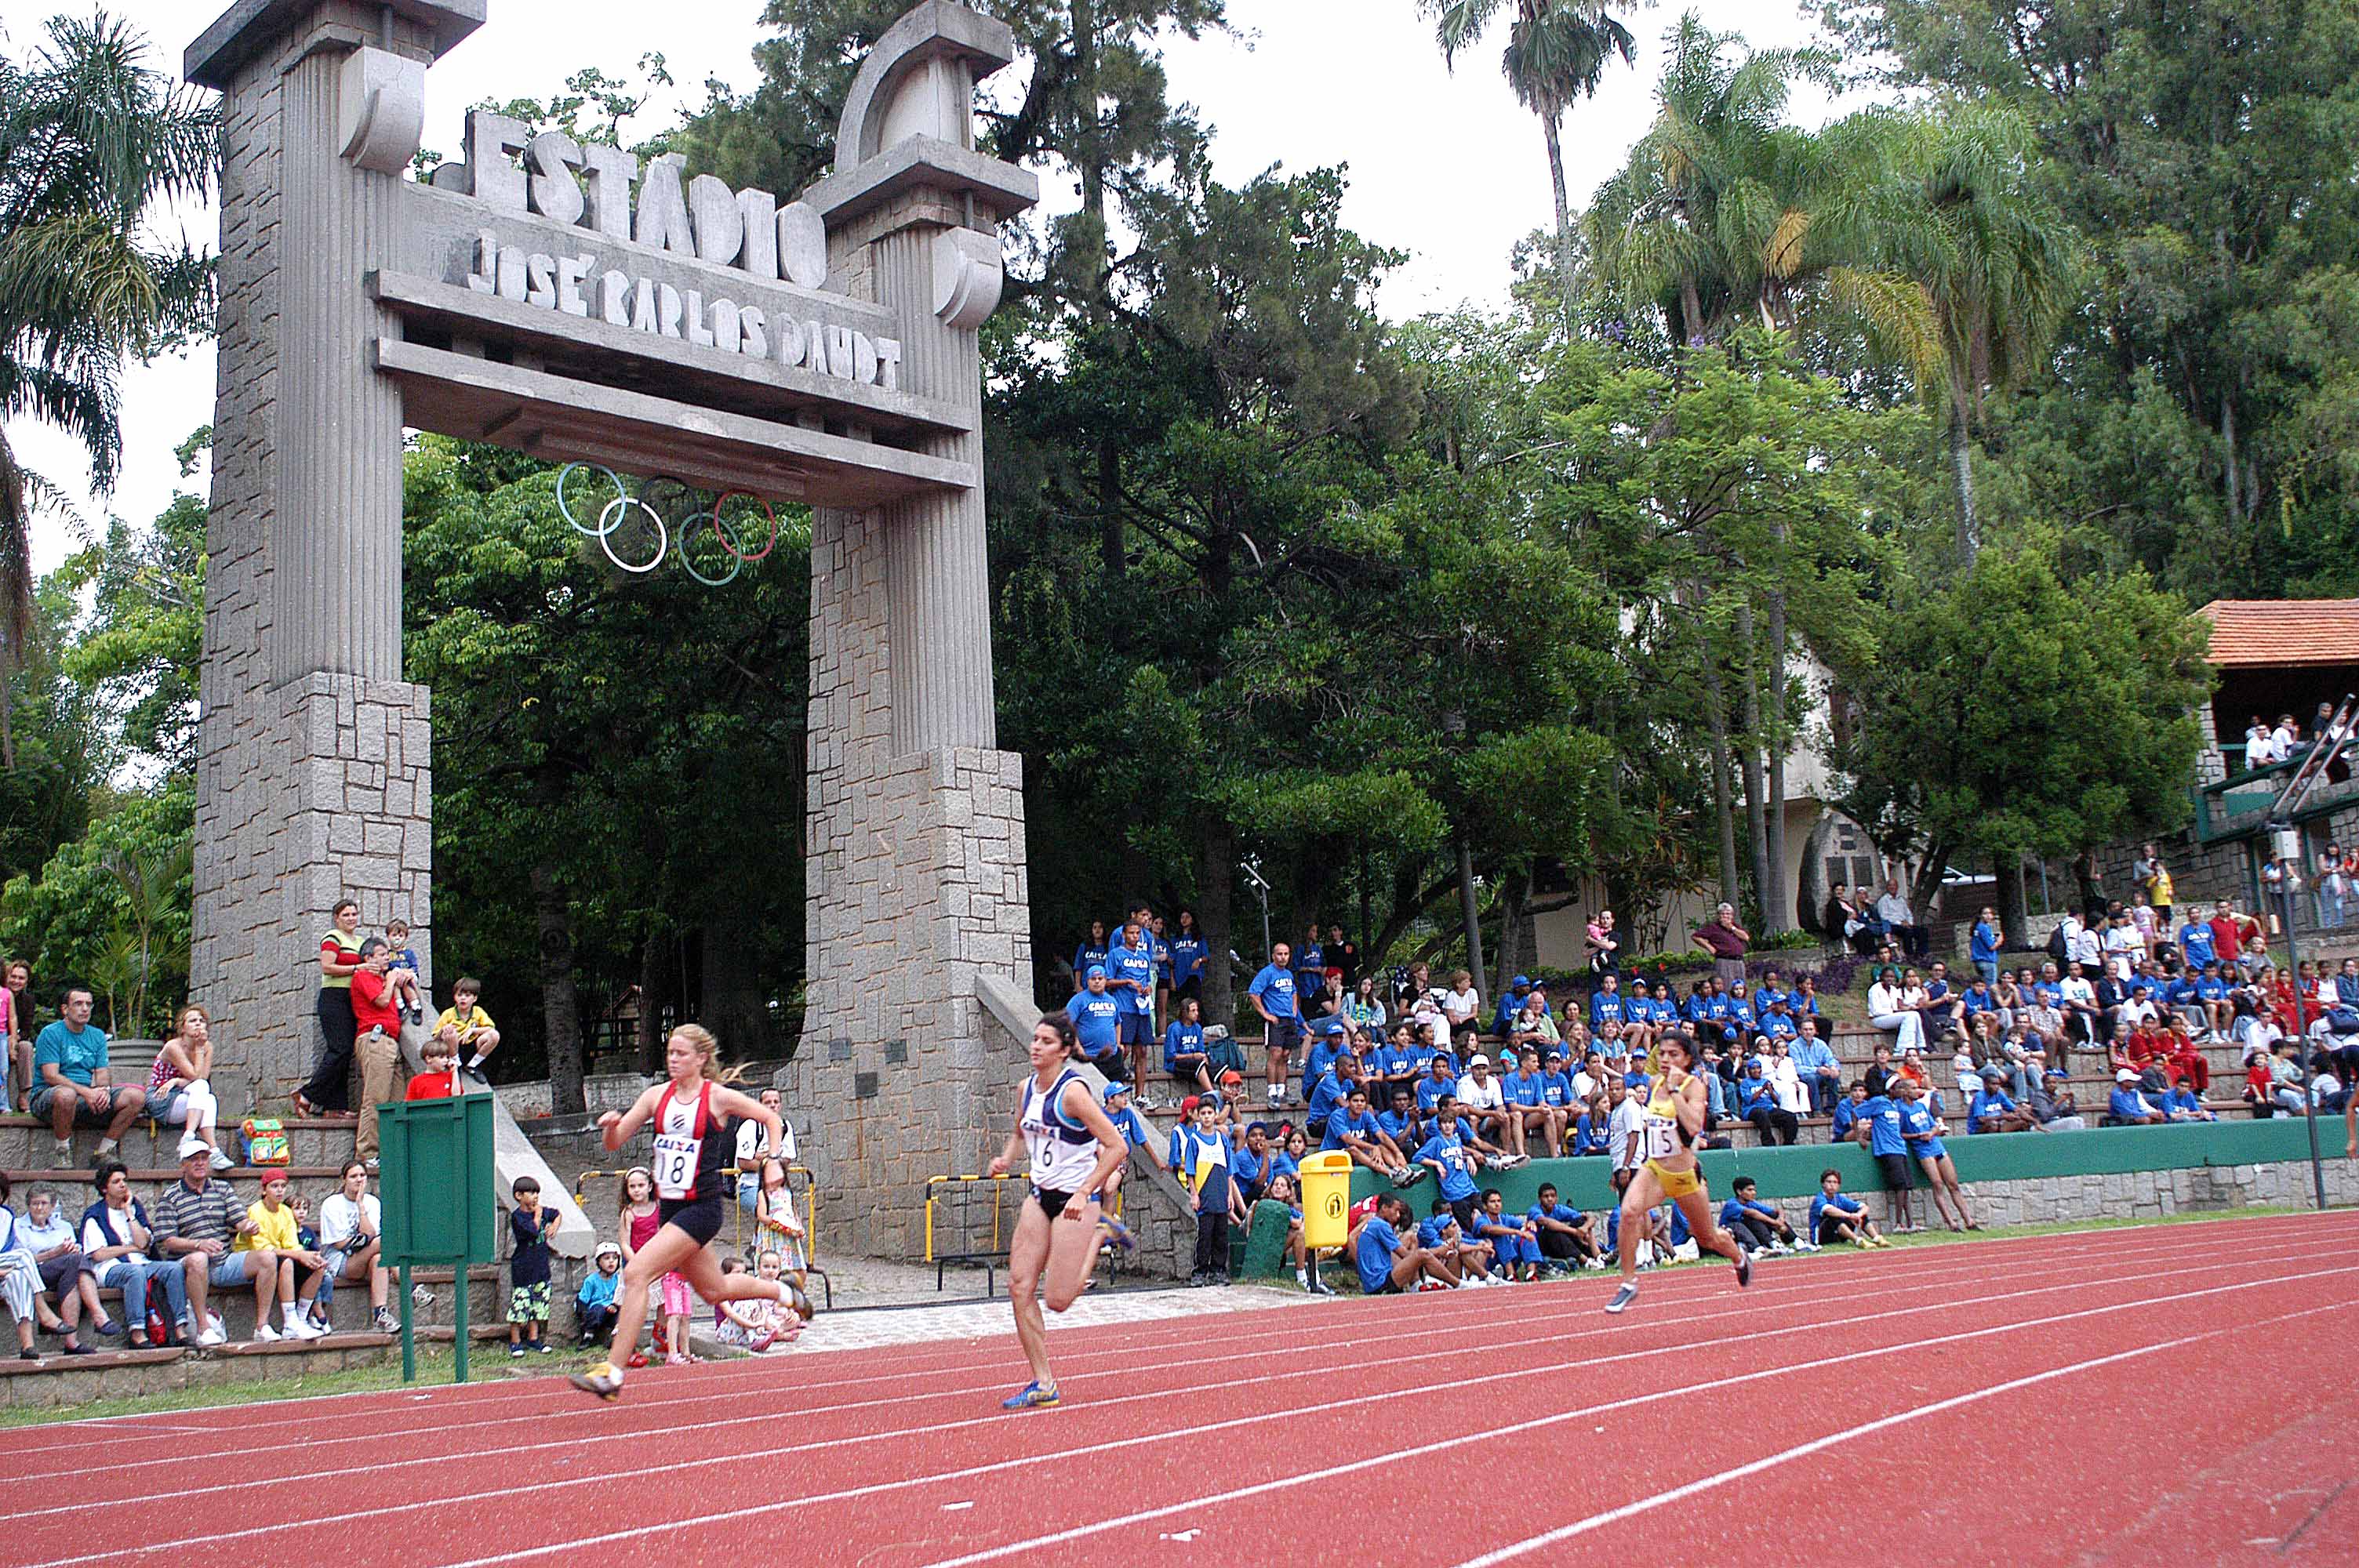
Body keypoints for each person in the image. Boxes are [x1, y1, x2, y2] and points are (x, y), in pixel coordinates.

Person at [569, 1026, 809, 1401]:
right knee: (715, 1290)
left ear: (701, 1058)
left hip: (702, 1208)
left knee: (635, 1273)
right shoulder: (655, 1097)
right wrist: (611, 1127)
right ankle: (785, 1290)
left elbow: (772, 1119)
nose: (673, 1059)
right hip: (672, 1210)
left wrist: (773, 1161)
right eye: (669, 1052)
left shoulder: (717, 1098)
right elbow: (615, 1143)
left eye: (681, 1053)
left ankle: (611, 1372)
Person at [981, 1013, 1128, 1411]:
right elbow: (1019, 1132)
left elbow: (1117, 1147)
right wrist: (1005, 1159)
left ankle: (1102, 1233)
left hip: (1076, 1203)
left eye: (1046, 1042)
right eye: (1035, 1039)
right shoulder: (1025, 1089)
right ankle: (1043, 1382)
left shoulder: (1074, 1093)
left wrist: (1085, 1191)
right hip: (1039, 1196)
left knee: (1059, 1300)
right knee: (1018, 1286)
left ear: (1064, 1050)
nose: (1036, 1046)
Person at [1605, 1033, 1753, 1314]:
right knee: (1628, 1212)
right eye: (1662, 1054)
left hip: (1684, 1174)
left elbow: (1695, 1125)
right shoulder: (1653, 1082)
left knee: (1706, 1236)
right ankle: (1628, 1282)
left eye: (1673, 1054)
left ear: (1686, 1058)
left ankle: (1738, 1256)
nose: (1665, 1059)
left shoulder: (1693, 1086)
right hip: (1656, 1169)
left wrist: (1675, 1091)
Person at [30, 985, 141, 1168]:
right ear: (65, 1009)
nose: (85, 1009)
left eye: (89, 1004)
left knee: (135, 1097)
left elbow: (102, 1073)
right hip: (48, 1097)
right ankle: (62, 1152)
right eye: (79, 1004)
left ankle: (104, 1152)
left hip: (83, 1097)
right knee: (66, 1095)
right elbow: (50, 1076)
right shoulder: (50, 1033)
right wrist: (87, 1093)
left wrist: (103, 1091)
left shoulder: (97, 1036)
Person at [79, 1161, 178, 1348]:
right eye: (116, 1182)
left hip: (142, 1263)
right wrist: (130, 1248)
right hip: (109, 1269)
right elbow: (99, 1254)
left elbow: (143, 1243)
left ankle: (179, 1329)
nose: (123, 1185)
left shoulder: (134, 1208)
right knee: (135, 1273)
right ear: (104, 1189)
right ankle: (137, 1333)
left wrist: (129, 1214)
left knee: (174, 1269)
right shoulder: (95, 1215)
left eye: (124, 1180)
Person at [234, 1168, 325, 1340]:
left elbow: (292, 1244)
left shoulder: (285, 1211)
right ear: (264, 1190)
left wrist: (308, 1257)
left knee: (317, 1266)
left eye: (283, 1186)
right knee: (288, 1262)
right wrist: (298, 1256)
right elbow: (264, 1248)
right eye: (274, 1186)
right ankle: (290, 1321)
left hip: (279, 1256)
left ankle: (301, 1318)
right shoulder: (256, 1210)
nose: (280, 1190)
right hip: (255, 1259)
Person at [293, 899, 363, 1119]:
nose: (351, 918)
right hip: (334, 997)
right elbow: (327, 966)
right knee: (339, 1049)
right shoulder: (333, 937)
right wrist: (357, 967)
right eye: (346, 915)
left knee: (345, 1053)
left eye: (354, 914)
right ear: (336, 918)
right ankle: (306, 1095)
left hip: (353, 999)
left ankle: (335, 1106)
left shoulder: (361, 941)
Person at [18, 1183, 108, 1352]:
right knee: (75, 1262)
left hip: (62, 1274)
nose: (39, 1207)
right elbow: (20, 1261)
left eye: (44, 1203)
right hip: (33, 1274)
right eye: (34, 1203)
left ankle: (71, 1342)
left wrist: (72, 1250)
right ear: (28, 1206)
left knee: (74, 1272)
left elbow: (76, 1254)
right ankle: (98, 1315)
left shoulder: (64, 1227)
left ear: (53, 1207)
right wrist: (54, 1253)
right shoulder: (18, 1227)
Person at [146, 1005, 231, 1173]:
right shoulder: (173, 1046)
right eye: (192, 1021)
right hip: (162, 1098)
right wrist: (199, 1049)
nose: (198, 1024)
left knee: (209, 1097)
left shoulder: (208, 1047)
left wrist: (177, 1080)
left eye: (201, 1021)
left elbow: (203, 1078)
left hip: (189, 1097)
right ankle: (197, 1142)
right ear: (182, 1028)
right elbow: (194, 1076)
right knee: (202, 1090)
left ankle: (210, 1149)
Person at [1172, 1094, 1243, 1287]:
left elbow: (1229, 1170)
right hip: (1204, 1195)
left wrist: (1230, 1195)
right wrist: (1194, 1194)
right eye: (1202, 1113)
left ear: (1216, 1115)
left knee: (1221, 1235)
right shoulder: (1194, 1141)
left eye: (1209, 1113)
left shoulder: (1222, 1139)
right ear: (1197, 1116)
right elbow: (1190, 1171)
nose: (1206, 1117)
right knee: (1205, 1235)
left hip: (1221, 1194)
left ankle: (1218, 1270)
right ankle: (1200, 1271)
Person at [349, 938, 406, 1174]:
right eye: (382, 954)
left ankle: (389, 1149)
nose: (387, 958)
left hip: (391, 1041)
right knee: (376, 1097)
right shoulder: (364, 977)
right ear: (368, 958)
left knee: (397, 1098)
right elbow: (382, 1001)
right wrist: (391, 981)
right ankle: (367, 1152)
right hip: (375, 1039)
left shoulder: (384, 979)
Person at [317, 1160, 393, 1334]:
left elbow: (370, 1234)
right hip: (341, 1261)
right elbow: (341, 1244)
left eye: (362, 1176)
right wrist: (363, 1241)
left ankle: (380, 1313)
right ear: (344, 1179)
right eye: (353, 1176)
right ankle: (409, 1284)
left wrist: (360, 1205)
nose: (359, 1180)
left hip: (365, 1257)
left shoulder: (372, 1202)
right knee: (383, 1244)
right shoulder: (331, 1203)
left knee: (379, 1259)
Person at [1894, 1077, 1975, 1231]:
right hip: (1922, 1149)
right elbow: (1899, 1133)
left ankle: (1969, 1220)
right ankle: (1950, 1222)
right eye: (1913, 1088)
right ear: (1905, 1091)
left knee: (1953, 1184)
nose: (1917, 1091)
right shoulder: (1902, 1110)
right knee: (1937, 1184)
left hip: (1935, 1145)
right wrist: (1918, 1136)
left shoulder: (1921, 1106)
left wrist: (1932, 1132)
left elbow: (1935, 1125)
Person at [1354, 1192, 1458, 1294]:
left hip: (1372, 1281)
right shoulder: (1381, 1226)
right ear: (1384, 1208)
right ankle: (1457, 1284)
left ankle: (1416, 1284)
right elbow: (1407, 1255)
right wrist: (1438, 1251)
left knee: (1410, 1236)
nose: (1398, 1215)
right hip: (1380, 1283)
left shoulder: (1374, 1223)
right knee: (1422, 1254)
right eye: (1396, 1211)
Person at [1104, 917, 1160, 1099]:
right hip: (1124, 1007)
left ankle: (1140, 1095)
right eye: (1131, 933)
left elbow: (1147, 980)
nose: (1135, 936)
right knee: (1124, 1049)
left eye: (1138, 933)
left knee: (1142, 1051)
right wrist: (1127, 981)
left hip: (1141, 1008)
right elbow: (1107, 982)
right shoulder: (1115, 954)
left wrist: (1148, 987)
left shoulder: (1144, 957)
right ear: (1124, 934)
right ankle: (1114, 1089)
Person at [1247, 942, 1302, 1108]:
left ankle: (1282, 1091)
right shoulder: (1267, 973)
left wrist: (1294, 1010)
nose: (1283, 957)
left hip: (1289, 1020)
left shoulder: (1289, 974)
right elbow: (1253, 993)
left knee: (1286, 1055)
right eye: (1279, 954)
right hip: (1275, 1020)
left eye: (1286, 954)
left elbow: (1293, 992)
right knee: (1275, 1054)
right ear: (1273, 956)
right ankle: (1272, 1093)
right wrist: (1265, 1014)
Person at [508, 1176, 554, 1357]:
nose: (535, 1197)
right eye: (531, 1193)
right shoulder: (518, 1217)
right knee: (520, 1307)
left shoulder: (541, 1211)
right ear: (519, 1195)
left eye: (537, 1193)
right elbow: (534, 1231)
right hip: (523, 1270)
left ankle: (534, 1339)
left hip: (541, 1269)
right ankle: (515, 1342)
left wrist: (554, 1226)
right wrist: (538, 1215)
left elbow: (557, 1214)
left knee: (538, 1306)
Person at [734, 1086, 793, 1217]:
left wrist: (760, 1157)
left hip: (777, 1187)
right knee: (769, 1212)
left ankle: (761, 1238)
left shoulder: (786, 1127)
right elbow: (744, 1163)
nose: (772, 1106)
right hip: (750, 1185)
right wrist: (773, 1161)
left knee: (787, 1215)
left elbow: (787, 1161)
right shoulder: (750, 1126)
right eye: (768, 1102)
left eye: (776, 1102)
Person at [433, 978, 502, 1082]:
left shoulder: (478, 1011)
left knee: (494, 1035)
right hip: (454, 1049)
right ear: (454, 997)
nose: (463, 998)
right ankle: (456, 1066)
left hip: (472, 1046)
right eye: (459, 995)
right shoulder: (448, 1013)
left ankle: (473, 1065)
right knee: (451, 1033)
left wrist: (472, 1031)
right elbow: (435, 1037)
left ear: (474, 998)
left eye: (467, 995)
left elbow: (490, 1027)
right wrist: (444, 1030)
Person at [1719, 1177, 1807, 1254]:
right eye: (1749, 1190)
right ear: (1739, 1192)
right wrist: (1775, 1223)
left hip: (1750, 1235)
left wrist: (1780, 1220)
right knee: (1748, 1219)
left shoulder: (1751, 1203)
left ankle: (1798, 1242)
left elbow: (1777, 1211)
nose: (1753, 1193)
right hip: (1734, 1237)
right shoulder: (1732, 1204)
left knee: (1771, 1215)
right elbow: (1752, 1213)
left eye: (1754, 1190)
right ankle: (1765, 1247)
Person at [1528, 1182, 1604, 1271]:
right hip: (1544, 1247)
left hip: (1561, 1246)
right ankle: (1587, 1262)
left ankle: (1599, 1257)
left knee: (1581, 1221)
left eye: (1553, 1196)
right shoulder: (1535, 1210)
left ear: (1557, 1198)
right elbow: (1545, 1222)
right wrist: (1575, 1232)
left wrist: (1584, 1228)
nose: (1550, 1199)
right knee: (1553, 1231)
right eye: (1546, 1196)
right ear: (1540, 1199)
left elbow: (1590, 1218)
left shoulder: (1559, 1209)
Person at [1809, 1169, 1889, 1247]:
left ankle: (1876, 1238)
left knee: (1859, 1213)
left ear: (1838, 1185)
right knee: (1835, 1216)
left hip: (1837, 1235)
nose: (1832, 1185)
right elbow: (1828, 1210)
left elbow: (1864, 1207)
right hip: (1822, 1237)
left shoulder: (1839, 1198)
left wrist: (1858, 1215)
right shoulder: (1819, 1199)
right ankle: (1858, 1241)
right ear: (1823, 1184)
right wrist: (1849, 1215)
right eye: (1829, 1182)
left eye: (1835, 1182)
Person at [1692, 904, 1750, 990]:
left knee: (1741, 988)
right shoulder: (1713, 927)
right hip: (1724, 961)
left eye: (1728, 914)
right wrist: (1709, 947)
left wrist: (1731, 928)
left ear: (1732, 916)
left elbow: (1746, 937)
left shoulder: (1735, 927)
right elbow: (1695, 937)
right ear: (1719, 915)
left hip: (1739, 961)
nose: (1726, 916)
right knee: (1727, 988)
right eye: (1723, 914)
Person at [575, 1241, 623, 1347]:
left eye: (615, 1258)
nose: (611, 1261)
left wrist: (615, 1305)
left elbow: (621, 1296)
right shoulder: (591, 1280)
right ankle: (588, 1335)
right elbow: (582, 1300)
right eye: (607, 1258)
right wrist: (583, 1317)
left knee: (623, 1314)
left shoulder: (618, 1280)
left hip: (613, 1311)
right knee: (598, 1310)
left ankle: (616, 1337)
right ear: (599, 1262)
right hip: (597, 1312)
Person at [381, 918, 427, 1023]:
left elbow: (414, 968)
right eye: (394, 935)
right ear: (388, 936)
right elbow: (385, 969)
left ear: (405, 938)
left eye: (400, 936)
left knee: (406, 985)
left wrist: (406, 974)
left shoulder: (409, 953)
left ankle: (416, 1007)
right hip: (394, 979)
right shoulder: (387, 954)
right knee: (395, 985)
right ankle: (400, 1006)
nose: (397, 938)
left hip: (407, 977)